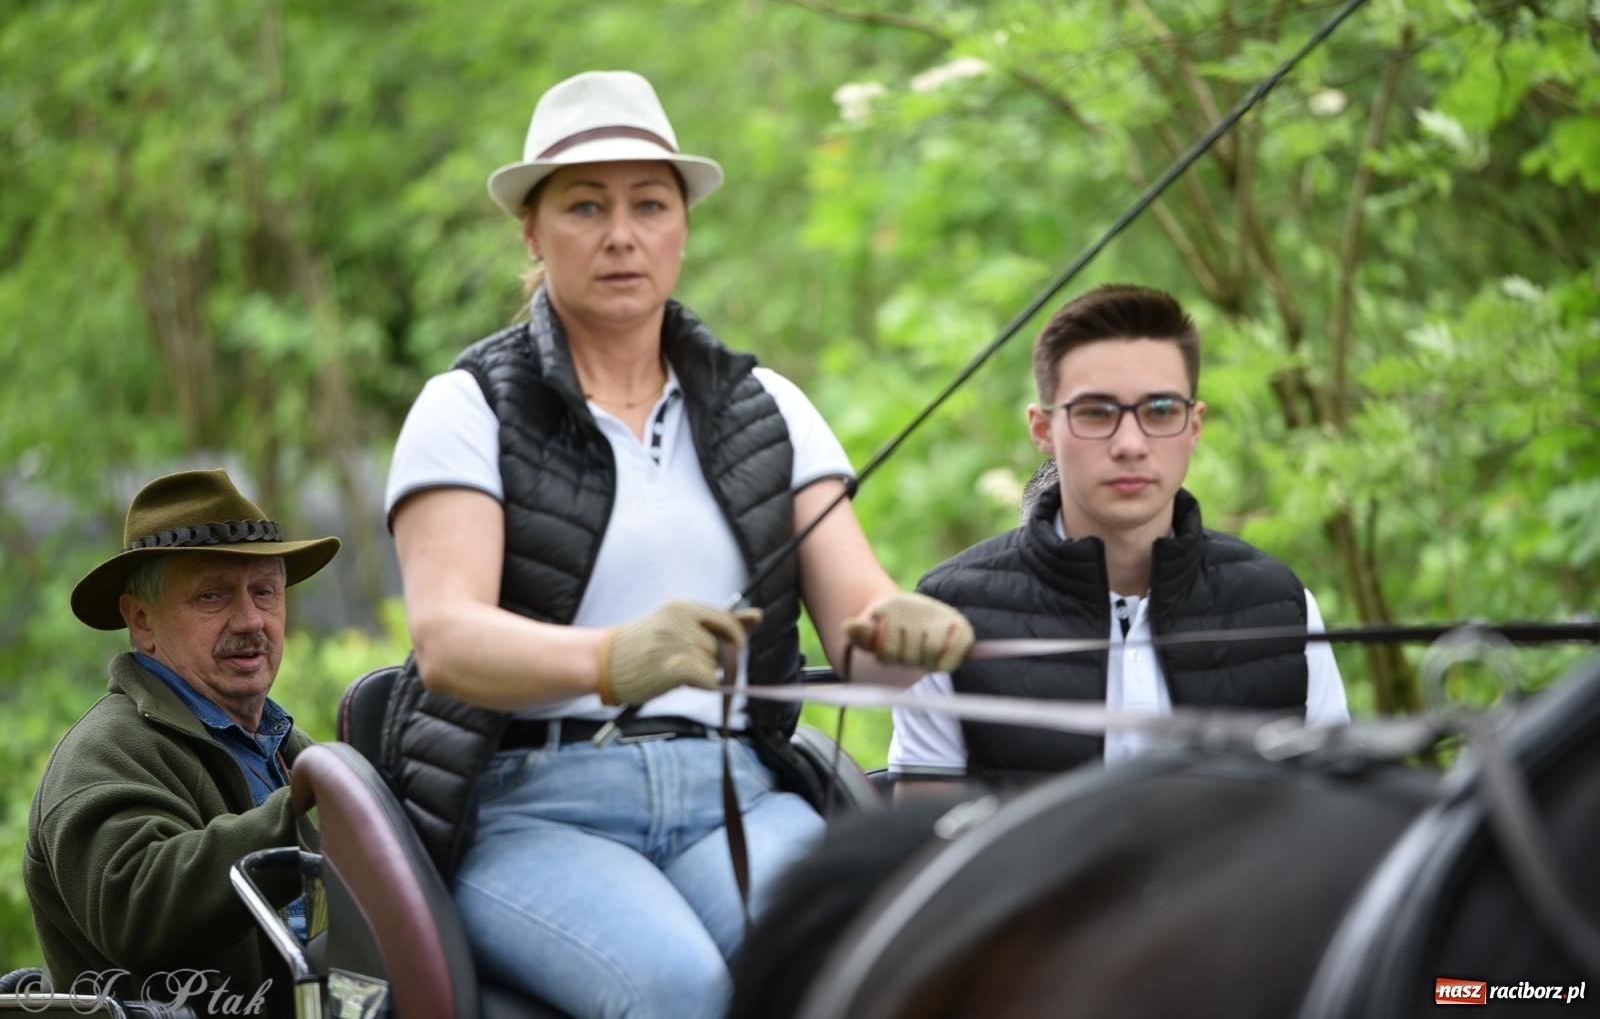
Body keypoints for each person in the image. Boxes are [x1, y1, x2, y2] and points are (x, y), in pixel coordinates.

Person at [379, 69, 973, 1018]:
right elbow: (447, 640)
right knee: (677, 992)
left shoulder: (771, 409)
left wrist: (904, 630)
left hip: (737, 790)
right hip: (536, 808)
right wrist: (615, 657)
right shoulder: (466, 408)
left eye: (649, 204)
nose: (622, 234)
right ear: (531, 232)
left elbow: (861, 620)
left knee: (867, 963)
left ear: (682, 227)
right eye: (584, 206)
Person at [889, 284, 1348, 789]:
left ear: (1194, 425)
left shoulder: (1281, 607)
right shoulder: (952, 614)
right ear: (1042, 429)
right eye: (1095, 413)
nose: (1130, 444)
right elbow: (931, 848)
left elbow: (1334, 821)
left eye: (1159, 410)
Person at [25, 468, 339, 1015]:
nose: (251, 620)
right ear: (141, 621)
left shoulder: (290, 750)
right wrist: (318, 810)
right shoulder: (103, 752)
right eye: (213, 595)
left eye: (265, 592)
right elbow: (136, 906)